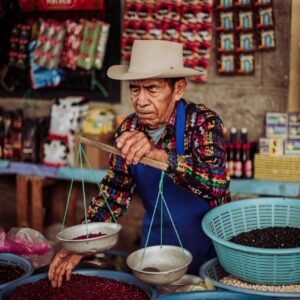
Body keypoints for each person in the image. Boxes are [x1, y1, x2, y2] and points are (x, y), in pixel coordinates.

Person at [48, 40, 230, 288]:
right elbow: (114, 193)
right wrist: (83, 243)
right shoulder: (129, 129)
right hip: (156, 250)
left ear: (178, 89)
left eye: (152, 89)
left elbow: (216, 183)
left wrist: (161, 156)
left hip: (209, 248)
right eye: (135, 89)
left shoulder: (201, 123)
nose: (141, 101)